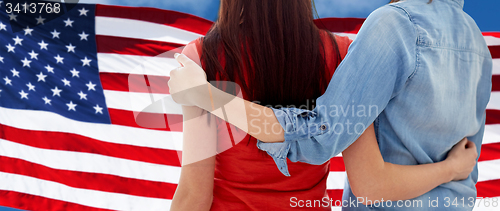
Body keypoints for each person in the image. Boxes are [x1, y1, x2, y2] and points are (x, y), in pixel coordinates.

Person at [169, 0, 484, 210]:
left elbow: (195, 194)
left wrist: (206, 94)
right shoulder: (340, 54)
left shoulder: (204, 59)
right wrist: (451, 169)